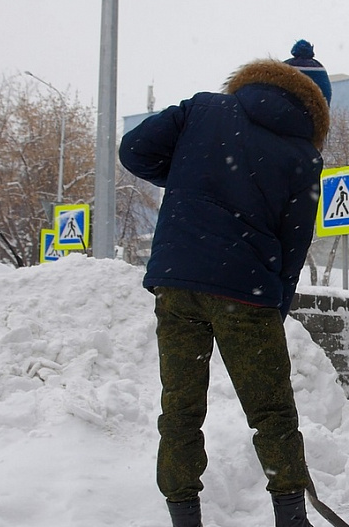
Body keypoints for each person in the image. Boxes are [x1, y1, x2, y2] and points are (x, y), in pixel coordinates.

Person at [118, 39, 331, 527]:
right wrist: (274, 307)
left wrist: (189, 177)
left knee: (180, 408)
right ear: (316, 108)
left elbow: (134, 151)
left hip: (176, 280)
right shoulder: (303, 158)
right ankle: (291, 518)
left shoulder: (204, 109)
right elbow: (293, 246)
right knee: (272, 411)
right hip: (246, 292)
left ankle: (183, 517)